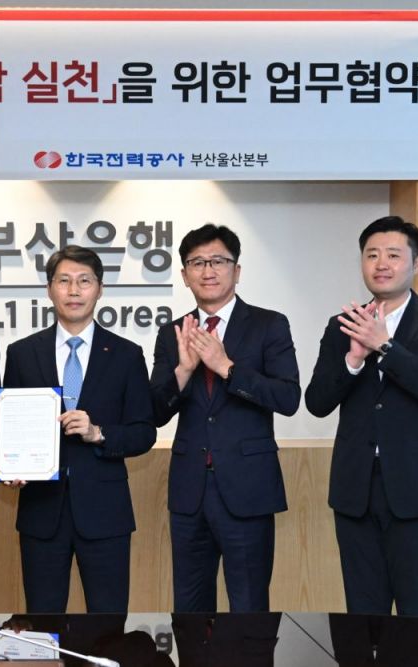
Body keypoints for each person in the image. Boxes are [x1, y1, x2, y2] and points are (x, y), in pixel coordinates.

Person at [305, 215, 418, 617]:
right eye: (372, 254)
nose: (381, 263)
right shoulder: (342, 325)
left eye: (393, 254)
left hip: (416, 489)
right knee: (362, 616)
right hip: (355, 489)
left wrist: (387, 347)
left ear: (416, 262)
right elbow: (317, 402)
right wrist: (354, 360)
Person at [150, 223, 300, 613]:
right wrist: (183, 371)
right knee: (189, 609)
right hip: (190, 492)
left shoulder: (269, 324)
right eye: (197, 263)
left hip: (248, 490)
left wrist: (226, 368)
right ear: (184, 275)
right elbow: (155, 412)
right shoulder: (172, 333)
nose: (208, 270)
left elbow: (287, 398)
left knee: (249, 609)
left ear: (237, 270)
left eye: (218, 261)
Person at [3, 245, 154, 613]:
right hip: (41, 512)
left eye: (84, 281)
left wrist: (98, 433)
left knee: (107, 624)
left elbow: (143, 432)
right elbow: (9, 428)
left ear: (99, 289)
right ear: (49, 289)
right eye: (64, 281)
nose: (74, 291)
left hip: (105, 513)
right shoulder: (22, 353)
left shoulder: (126, 354)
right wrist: (10, 466)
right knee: (43, 626)